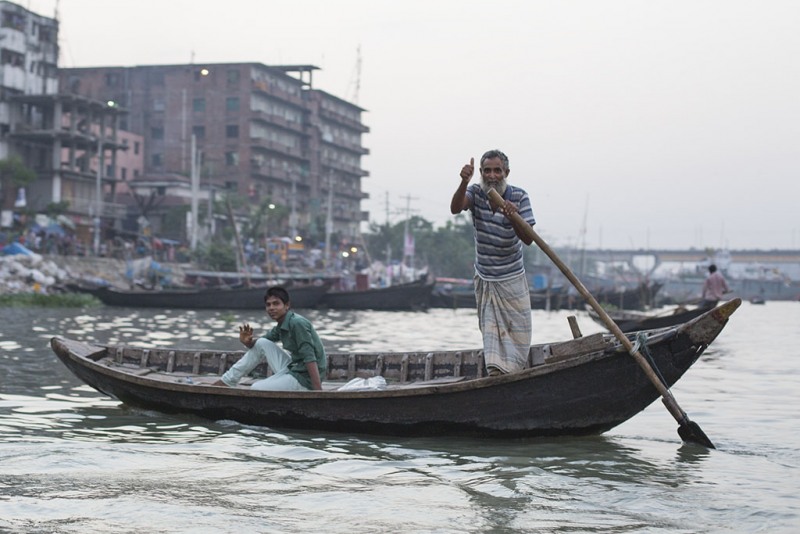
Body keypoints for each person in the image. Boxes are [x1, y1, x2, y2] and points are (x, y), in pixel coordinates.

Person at [450, 149, 536, 376]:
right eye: (487, 170)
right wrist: (463, 182)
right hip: (486, 277)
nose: (492, 175)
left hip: (512, 276)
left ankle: (514, 370)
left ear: (506, 172)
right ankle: (497, 373)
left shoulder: (519, 196)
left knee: (519, 333)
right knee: (491, 333)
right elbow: (456, 208)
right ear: (481, 172)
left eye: (497, 170)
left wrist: (513, 217)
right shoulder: (476, 192)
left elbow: (528, 239)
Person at [213, 286, 326, 391]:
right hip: (295, 369)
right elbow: (260, 344)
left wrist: (317, 392)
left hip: (305, 380)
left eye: (276, 304)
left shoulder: (297, 323)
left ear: (287, 305)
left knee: (256, 388)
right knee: (262, 342)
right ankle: (227, 381)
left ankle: (306, 387)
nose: (271, 308)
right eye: (268, 305)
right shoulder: (281, 325)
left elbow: (309, 357)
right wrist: (247, 342)